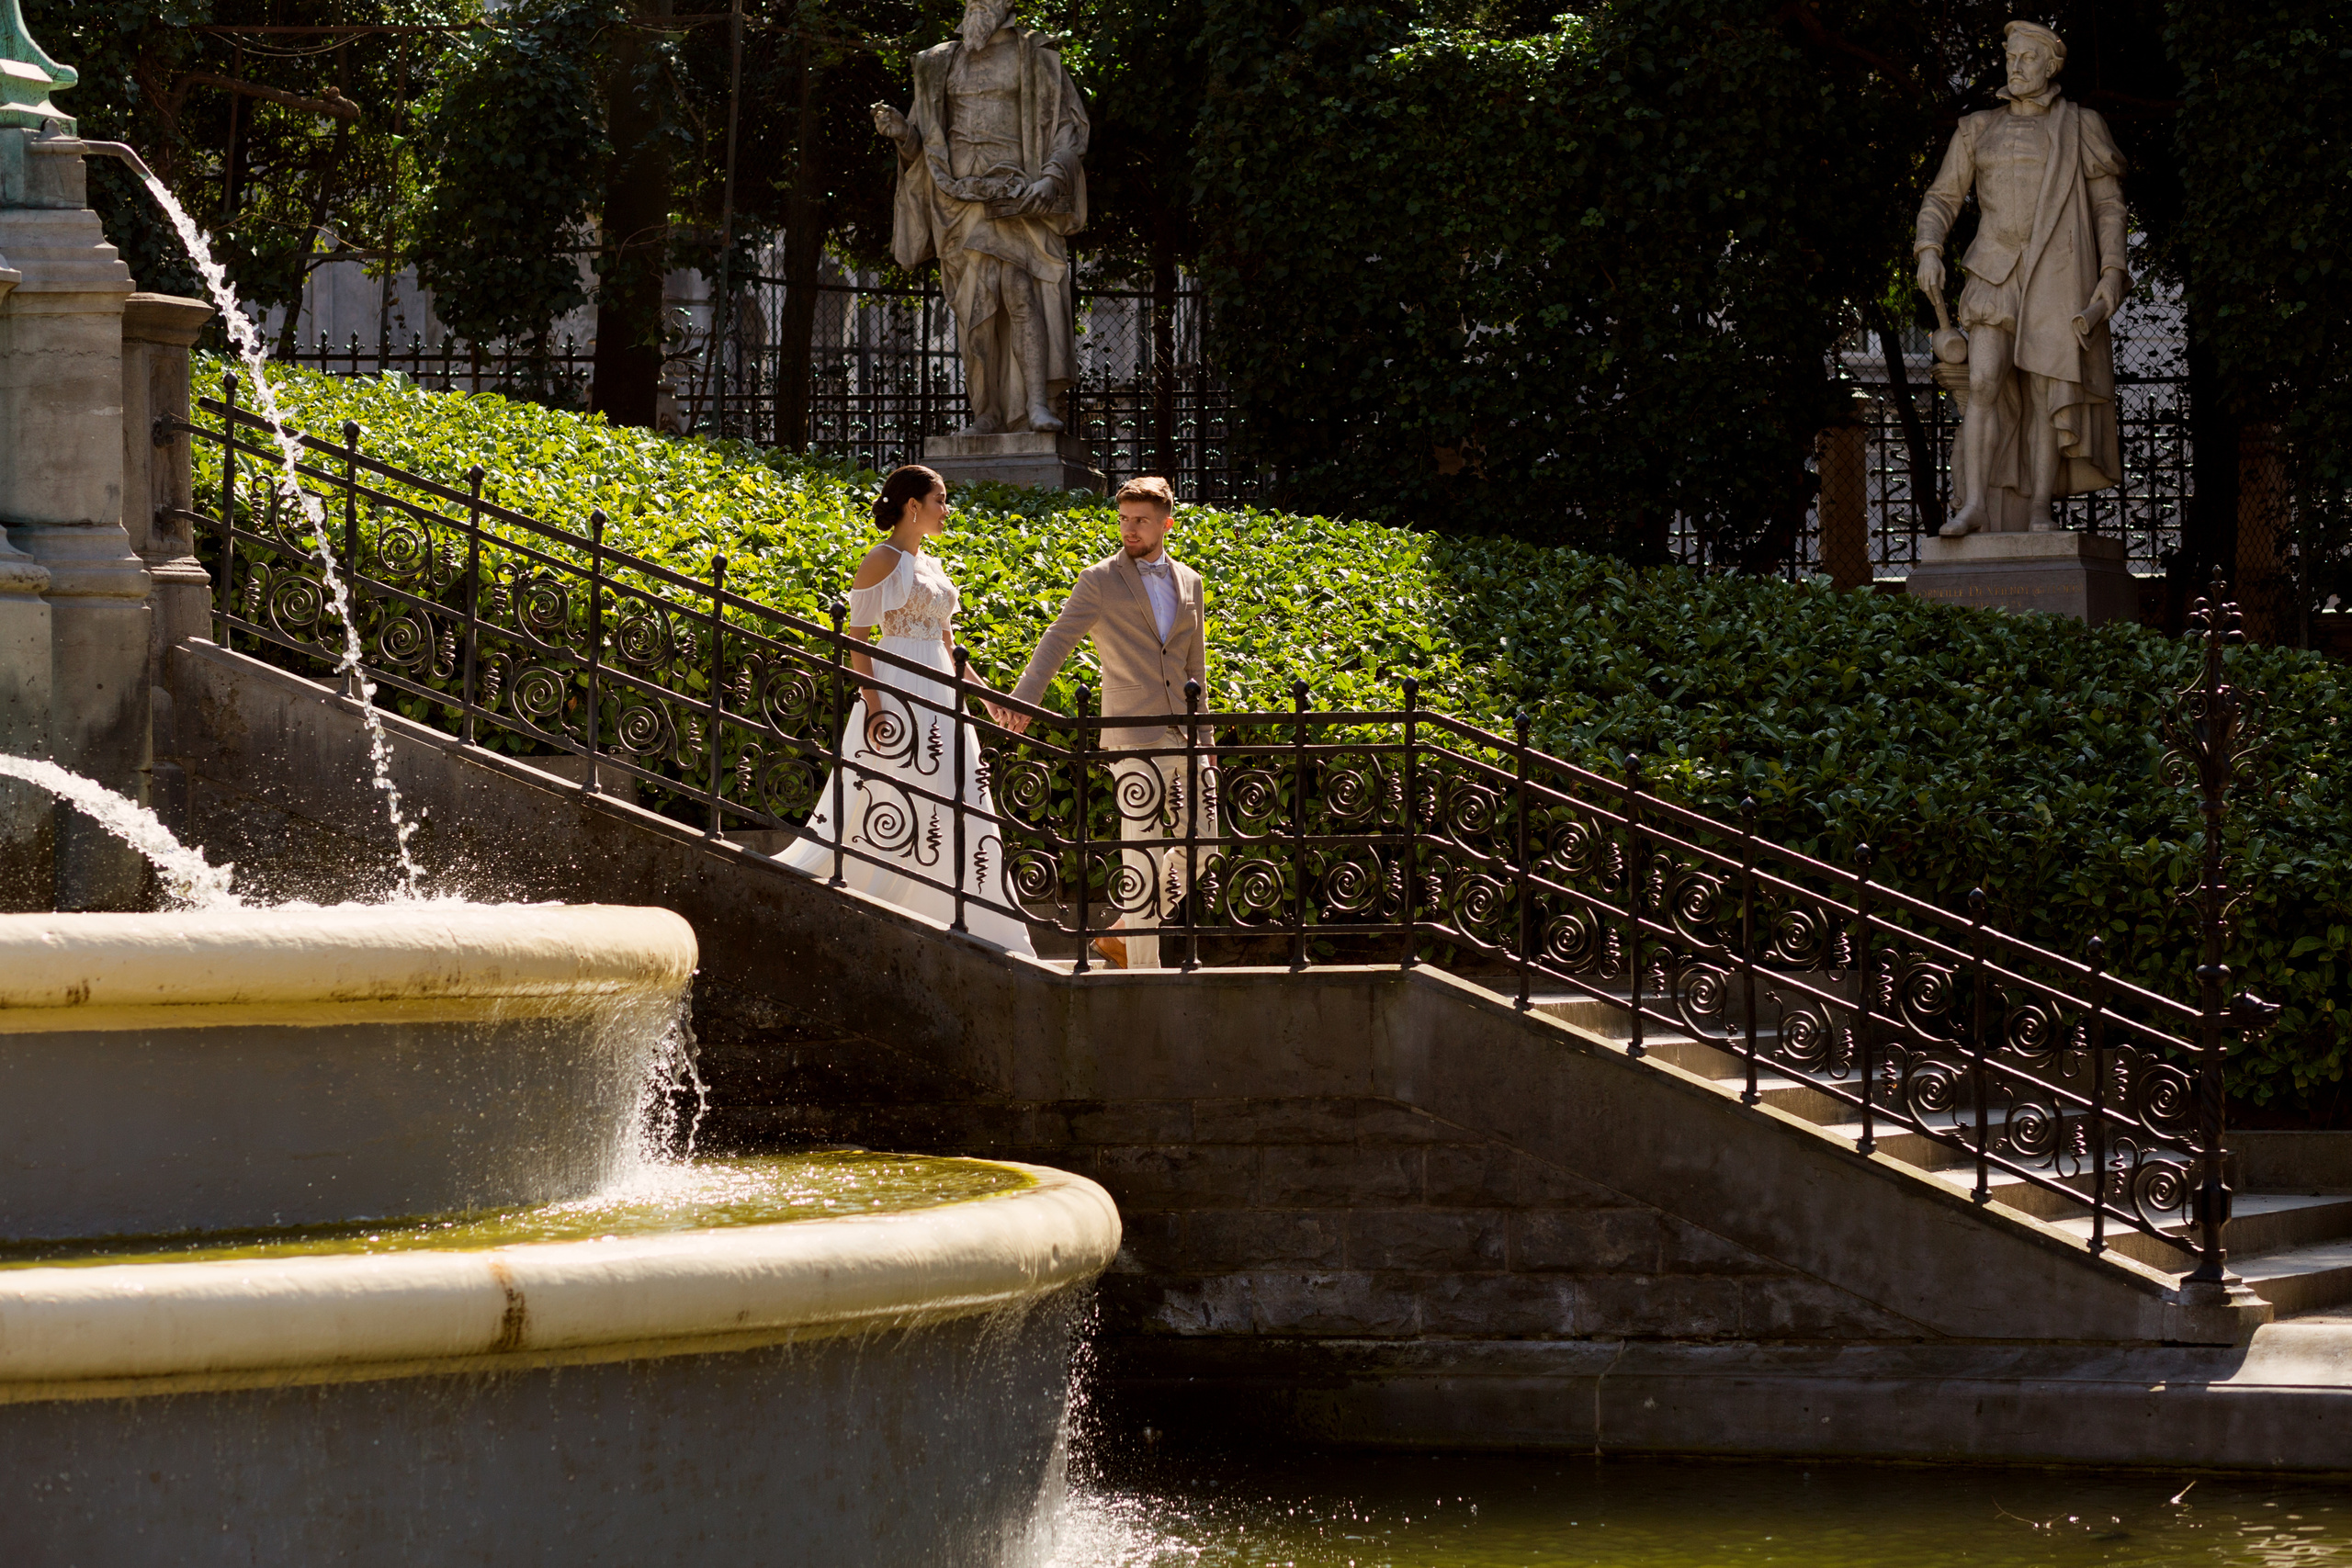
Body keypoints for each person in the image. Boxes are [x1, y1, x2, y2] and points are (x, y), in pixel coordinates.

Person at [783, 465, 1035, 956]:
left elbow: (948, 643)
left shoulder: (934, 568)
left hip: (942, 690)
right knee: (891, 789)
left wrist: (984, 695)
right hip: (897, 685)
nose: (946, 509)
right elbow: (856, 640)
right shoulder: (881, 559)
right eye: (940, 499)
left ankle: (963, 912)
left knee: (954, 792)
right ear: (913, 506)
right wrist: (875, 706)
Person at [1914, 19, 2128, 536]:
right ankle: (1976, 506)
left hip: (2055, 277)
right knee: (1983, 383)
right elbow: (1942, 197)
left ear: (2052, 66)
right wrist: (1929, 249)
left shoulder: (2082, 125)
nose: (2015, 64)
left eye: (2028, 57)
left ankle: (2038, 513)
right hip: (1993, 269)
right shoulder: (1978, 128)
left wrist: (2112, 273)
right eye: (2010, 55)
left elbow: (2109, 207)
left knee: (2040, 396)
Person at [995, 476, 1213, 970]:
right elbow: (1057, 639)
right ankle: (1144, 970)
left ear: (1165, 523)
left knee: (1206, 842)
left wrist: (1206, 735)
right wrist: (1024, 699)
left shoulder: (1191, 582)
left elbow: (1194, 669)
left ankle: (1120, 933)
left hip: (1181, 729)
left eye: (1140, 521)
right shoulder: (1099, 580)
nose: (1129, 529)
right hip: (1132, 733)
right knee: (1142, 852)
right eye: (1124, 519)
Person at [871, 0, 1090, 435]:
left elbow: (1069, 129)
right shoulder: (938, 62)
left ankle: (1035, 405)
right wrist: (902, 134)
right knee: (978, 306)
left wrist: (1049, 180)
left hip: (1017, 198)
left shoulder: (1037, 55)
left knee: (1020, 290)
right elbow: (927, 148)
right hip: (959, 203)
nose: (976, 5)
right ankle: (986, 413)